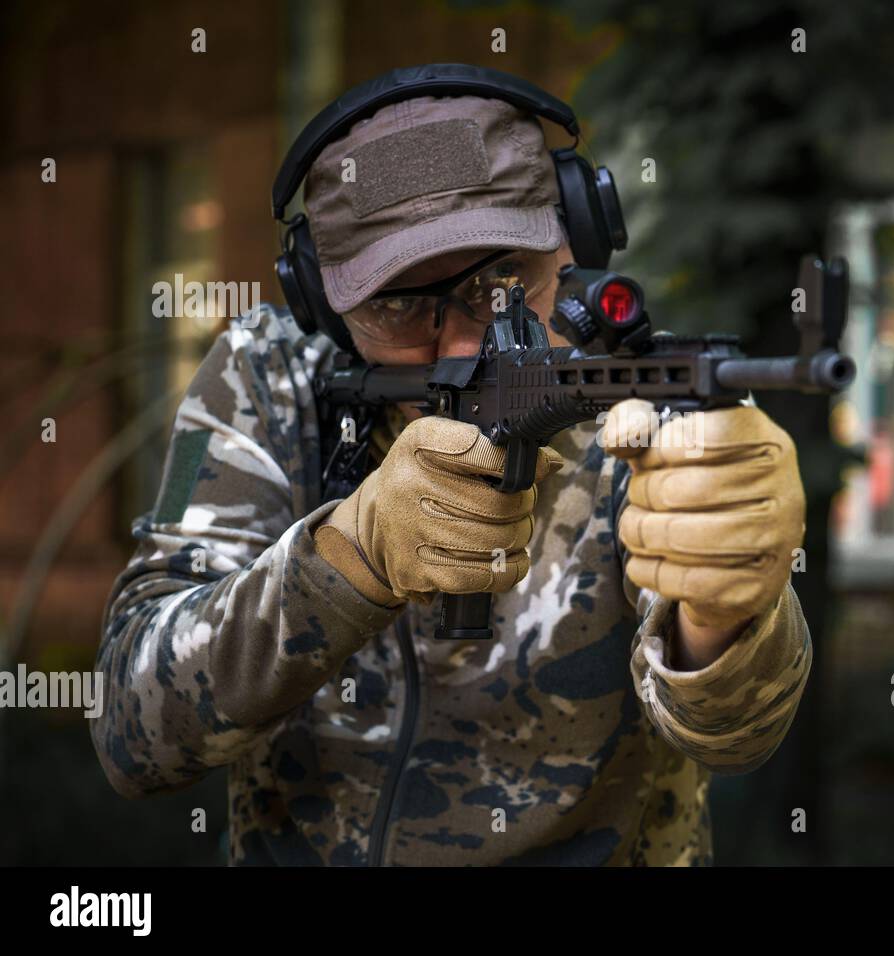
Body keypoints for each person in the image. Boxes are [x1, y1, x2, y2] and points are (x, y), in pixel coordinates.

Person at [91, 66, 812, 866]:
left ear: (572, 237)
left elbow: (738, 735)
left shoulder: (647, 401)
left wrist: (721, 618)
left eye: (506, 282)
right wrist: (347, 560)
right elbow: (132, 727)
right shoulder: (258, 381)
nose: (468, 346)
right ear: (323, 302)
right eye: (398, 307)